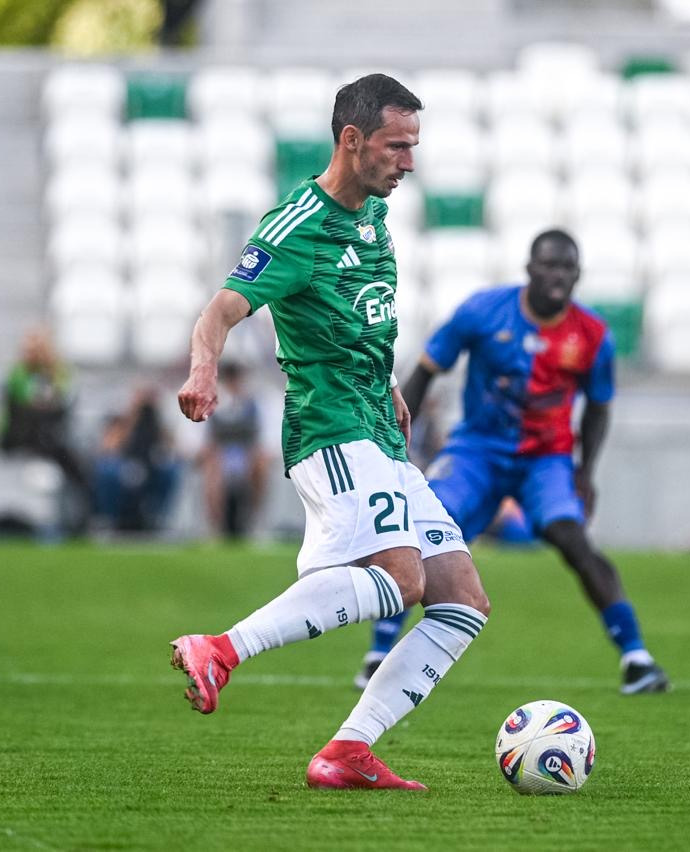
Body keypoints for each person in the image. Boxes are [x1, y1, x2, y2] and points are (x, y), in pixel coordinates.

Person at [169, 73, 491, 792]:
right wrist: (203, 371)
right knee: (400, 580)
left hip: (377, 423)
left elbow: (362, 315)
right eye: (396, 146)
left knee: (461, 600)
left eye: (413, 146)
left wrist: (390, 384)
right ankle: (221, 648)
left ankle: (347, 751)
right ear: (352, 140)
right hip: (331, 427)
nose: (409, 162)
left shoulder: (373, 215)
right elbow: (220, 309)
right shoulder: (296, 226)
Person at [357, 230, 670, 695]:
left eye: (567, 267)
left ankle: (636, 657)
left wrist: (585, 472)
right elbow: (424, 372)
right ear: (529, 269)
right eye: (549, 265)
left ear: (578, 275)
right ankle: (379, 653)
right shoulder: (483, 311)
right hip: (477, 450)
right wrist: (395, 448)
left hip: (546, 459)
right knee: (422, 531)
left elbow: (599, 407)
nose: (558, 275)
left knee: (572, 538)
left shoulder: (592, 335)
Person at [0, 326, 91, 535]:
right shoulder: (18, 375)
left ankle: (79, 520)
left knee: (78, 467)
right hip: (22, 436)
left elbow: (61, 403)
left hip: (49, 438)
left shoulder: (57, 373)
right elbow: (25, 406)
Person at [92, 385, 181, 533]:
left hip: (151, 466)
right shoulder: (124, 420)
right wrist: (133, 416)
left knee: (172, 471)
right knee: (107, 470)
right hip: (125, 465)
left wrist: (155, 417)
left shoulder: (157, 422)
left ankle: (158, 517)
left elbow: (173, 447)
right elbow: (108, 448)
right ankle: (108, 518)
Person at [197, 361, 268, 539]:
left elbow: (257, 438)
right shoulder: (213, 403)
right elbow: (207, 440)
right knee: (213, 468)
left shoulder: (251, 403)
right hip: (221, 455)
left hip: (244, 454)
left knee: (261, 466)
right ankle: (216, 526)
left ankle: (254, 522)